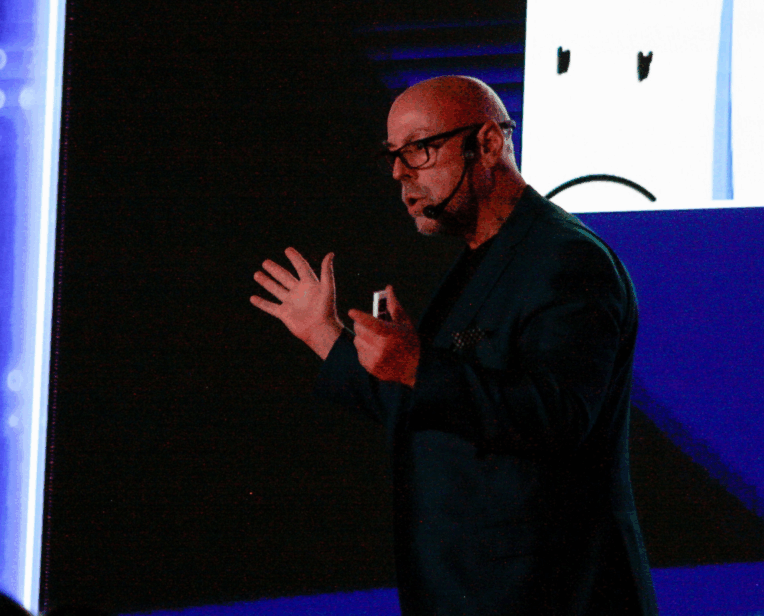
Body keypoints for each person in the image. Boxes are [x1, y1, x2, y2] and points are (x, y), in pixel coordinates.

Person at [250, 76, 658, 615]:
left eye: (419, 149)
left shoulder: (565, 260)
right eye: (393, 155)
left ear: (488, 143)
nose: (399, 173)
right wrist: (325, 336)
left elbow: (558, 415)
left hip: (548, 594)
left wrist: (420, 367)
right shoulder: (480, 259)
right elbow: (433, 408)